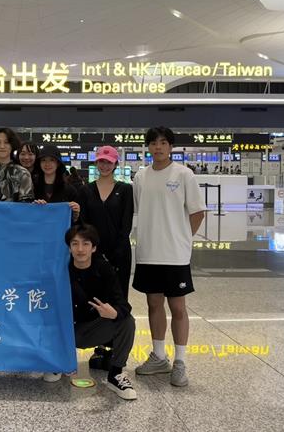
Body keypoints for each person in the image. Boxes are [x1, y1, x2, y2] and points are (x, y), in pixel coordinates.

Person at [132, 127, 206, 387]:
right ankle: (159, 356)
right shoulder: (141, 177)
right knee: (153, 304)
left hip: (175, 254)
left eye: (163, 143)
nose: (158, 147)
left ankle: (180, 361)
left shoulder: (184, 174)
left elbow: (197, 212)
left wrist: (183, 239)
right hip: (149, 252)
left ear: (171, 147)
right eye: (153, 143)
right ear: (148, 147)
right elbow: (139, 210)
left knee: (178, 307)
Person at [44, 225, 136, 401]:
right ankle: (58, 361)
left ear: (93, 248)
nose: (80, 249)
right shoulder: (61, 269)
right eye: (75, 244)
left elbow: (124, 305)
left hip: (91, 329)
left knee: (127, 321)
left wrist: (114, 313)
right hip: (63, 332)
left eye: (85, 244)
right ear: (69, 248)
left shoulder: (104, 269)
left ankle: (115, 374)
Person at [77, 146, 133, 298]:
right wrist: (93, 250)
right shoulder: (86, 190)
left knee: (118, 295)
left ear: (115, 164)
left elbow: (126, 224)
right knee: (93, 295)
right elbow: (83, 223)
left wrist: (117, 252)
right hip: (93, 251)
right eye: (101, 161)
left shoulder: (125, 190)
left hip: (119, 252)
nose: (105, 166)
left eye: (109, 162)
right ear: (96, 163)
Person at [32, 144, 80, 221]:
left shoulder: (70, 190)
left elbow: (75, 221)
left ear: (58, 163)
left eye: (52, 160)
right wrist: (32, 207)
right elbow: (27, 216)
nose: (47, 164)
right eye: (43, 160)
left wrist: (76, 213)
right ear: (39, 163)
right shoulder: (32, 188)